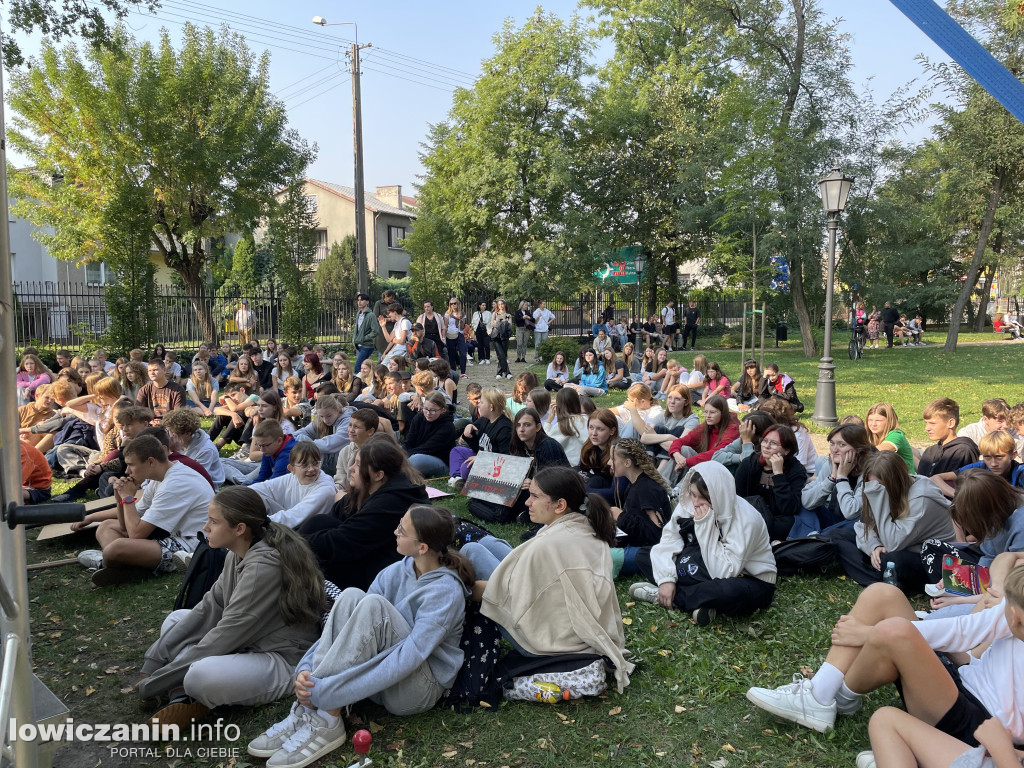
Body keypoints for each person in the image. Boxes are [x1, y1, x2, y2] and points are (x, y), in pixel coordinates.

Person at [249, 506, 474, 767]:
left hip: (417, 690)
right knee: (351, 596)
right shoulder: (395, 571)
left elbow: (409, 657)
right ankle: (311, 704)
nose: (395, 532)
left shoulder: (444, 591)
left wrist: (331, 693)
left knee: (372, 605)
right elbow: (351, 627)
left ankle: (327, 717)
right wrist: (307, 669)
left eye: (402, 530)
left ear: (422, 547)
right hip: (381, 682)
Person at [744, 559, 1024, 740]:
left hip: (980, 725)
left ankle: (838, 696)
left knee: (896, 631)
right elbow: (964, 632)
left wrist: (868, 634)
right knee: (883, 594)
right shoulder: (1017, 608)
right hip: (967, 678)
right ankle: (821, 693)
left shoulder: (1017, 612)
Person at [140, 486, 323, 729]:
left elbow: (227, 634)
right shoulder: (236, 553)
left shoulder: (263, 568)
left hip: (283, 660)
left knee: (199, 675)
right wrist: (153, 662)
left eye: (213, 522)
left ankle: (189, 692)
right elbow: (210, 607)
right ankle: (184, 695)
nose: (206, 527)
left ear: (239, 529)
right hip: (249, 643)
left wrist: (153, 683)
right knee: (177, 619)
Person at [461, 467, 632, 692]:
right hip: (571, 625)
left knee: (472, 551)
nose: (527, 502)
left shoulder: (547, 544)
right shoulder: (585, 526)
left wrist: (456, 585)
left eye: (535, 496)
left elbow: (494, 593)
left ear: (560, 505)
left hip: (551, 644)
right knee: (484, 546)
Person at [630, 461, 776, 625]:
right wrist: (666, 579)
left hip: (747, 577)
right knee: (645, 555)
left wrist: (705, 526)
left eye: (704, 498)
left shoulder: (748, 520)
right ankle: (700, 602)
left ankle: (665, 597)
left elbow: (723, 572)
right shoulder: (690, 503)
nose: (696, 503)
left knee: (728, 591)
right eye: (693, 494)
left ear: (718, 496)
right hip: (705, 560)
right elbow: (670, 539)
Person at [77, 434, 215, 586]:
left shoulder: (174, 484)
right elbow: (126, 525)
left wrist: (128, 498)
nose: (127, 471)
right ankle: (132, 569)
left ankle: (105, 563)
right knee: (106, 527)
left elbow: (135, 534)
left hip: (192, 547)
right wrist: (119, 500)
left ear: (150, 461)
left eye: (131, 465)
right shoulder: (161, 478)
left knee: (114, 549)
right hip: (174, 536)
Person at [299, 435, 429, 590]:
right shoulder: (375, 489)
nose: (351, 468)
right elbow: (336, 514)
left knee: (320, 554)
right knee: (320, 522)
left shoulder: (391, 502)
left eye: (358, 464)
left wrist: (293, 543)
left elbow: (342, 541)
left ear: (379, 475)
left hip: (388, 576)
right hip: (371, 555)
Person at [825, 450, 954, 591]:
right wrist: (874, 546)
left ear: (894, 482)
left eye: (879, 486)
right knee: (836, 535)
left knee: (892, 561)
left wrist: (877, 497)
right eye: (871, 485)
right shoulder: (881, 487)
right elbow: (862, 526)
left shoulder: (922, 500)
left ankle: (884, 578)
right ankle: (886, 577)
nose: (875, 489)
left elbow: (893, 544)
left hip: (928, 559)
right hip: (892, 545)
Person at [467, 407, 570, 524]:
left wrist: (533, 483)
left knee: (502, 514)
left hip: (549, 494)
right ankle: (518, 514)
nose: (521, 429)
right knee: (484, 497)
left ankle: (513, 514)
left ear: (537, 427)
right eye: (518, 425)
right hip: (526, 490)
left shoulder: (548, 446)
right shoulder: (519, 446)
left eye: (527, 425)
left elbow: (557, 482)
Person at [794, 423, 875, 537]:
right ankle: (813, 539)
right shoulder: (832, 463)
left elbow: (851, 512)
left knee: (859, 523)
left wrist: (841, 477)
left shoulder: (872, 471)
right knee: (804, 506)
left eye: (842, 445)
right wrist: (832, 478)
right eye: (832, 443)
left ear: (858, 449)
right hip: (834, 519)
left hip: (856, 525)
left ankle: (814, 539)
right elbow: (806, 501)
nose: (834, 450)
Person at [609, 439, 673, 576]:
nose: (609, 463)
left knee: (604, 555)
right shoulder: (634, 485)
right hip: (636, 546)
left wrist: (621, 516)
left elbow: (657, 535)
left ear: (627, 462)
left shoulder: (647, 488)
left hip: (650, 552)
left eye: (613, 459)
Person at [734, 424, 807, 540]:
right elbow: (737, 496)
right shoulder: (749, 464)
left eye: (773, 443)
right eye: (764, 441)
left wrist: (778, 474)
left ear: (787, 450)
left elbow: (789, 508)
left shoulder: (796, 470)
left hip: (776, 518)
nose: (766, 446)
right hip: (749, 514)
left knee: (788, 523)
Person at [249, 443, 336, 529]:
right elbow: (264, 487)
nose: (311, 469)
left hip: (305, 532)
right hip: (289, 523)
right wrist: (240, 496)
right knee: (252, 496)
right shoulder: (293, 477)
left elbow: (293, 517)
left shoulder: (325, 490)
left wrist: (255, 524)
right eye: (304, 465)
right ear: (292, 469)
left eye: (315, 463)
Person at [665, 395, 740, 481]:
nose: (707, 416)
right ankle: (663, 483)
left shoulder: (732, 429)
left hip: (720, 471)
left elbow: (716, 454)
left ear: (723, 413)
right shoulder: (706, 426)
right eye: (705, 412)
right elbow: (680, 441)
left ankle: (677, 490)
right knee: (683, 449)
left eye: (712, 412)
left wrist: (686, 461)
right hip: (704, 466)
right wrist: (676, 454)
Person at [931, 431, 1024, 499]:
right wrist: (957, 495)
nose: (993, 463)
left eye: (999, 457)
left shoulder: (1020, 472)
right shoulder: (981, 466)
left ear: (1013, 455)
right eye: (987, 457)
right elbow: (935, 478)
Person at [918, 398, 981, 478]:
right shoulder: (930, 452)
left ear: (951, 423)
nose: (927, 428)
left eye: (932, 423)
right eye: (926, 423)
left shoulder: (962, 452)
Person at [162, 408, 225, 487]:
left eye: (173, 434)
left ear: (187, 434)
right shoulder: (178, 441)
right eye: (168, 431)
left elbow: (193, 478)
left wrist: (172, 452)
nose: (170, 436)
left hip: (205, 484)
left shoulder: (206, 449)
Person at [404, 391, 458, 478]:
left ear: (442, 410)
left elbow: (428, 448)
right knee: (394, 451)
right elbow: (409, 440)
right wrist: (400, 453)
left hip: (439, 459)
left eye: (433, 410)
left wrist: (404, 457)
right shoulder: (419, 418)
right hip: (417, 452)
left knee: (415, 461)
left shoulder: (447, 427)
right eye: (425, 409)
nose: (428, 413)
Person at [333, 408, 378, 494]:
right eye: (350, 425)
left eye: (356, 427)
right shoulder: (344, 451)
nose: (351, 430)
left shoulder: (376, 453)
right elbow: (340, 479)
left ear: (370, 431)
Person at [866, 402, 915, 473]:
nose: (873, 424)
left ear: (889, 421)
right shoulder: (870, 436)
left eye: (878, 420)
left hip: (905, 480)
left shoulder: (896, 436)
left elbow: (875, 453)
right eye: (870, 420)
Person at [543, 387, 588, 465]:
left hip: (571, 468)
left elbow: (546, 444)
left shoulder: (564, 424)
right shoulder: (587, 419)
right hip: (588, 465)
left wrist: (549, 421)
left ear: (558, 405)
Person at [136, 358, 186, 424]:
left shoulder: (178, 389)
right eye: (149, 371)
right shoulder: (144, 390)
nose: (152, 373)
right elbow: (138, 412)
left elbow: (178, 414)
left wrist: (163, 422)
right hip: (149, 424)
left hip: (171, 425)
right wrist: (150, 422)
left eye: (155, 370)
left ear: (164, 370)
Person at [488, 298, 513, 379]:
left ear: (505, 304)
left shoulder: (508, 315)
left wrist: (498, 323)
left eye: (502, 304)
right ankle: (507, 372)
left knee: (503, 355)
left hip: (505, 336)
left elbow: (509, 326)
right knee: (500, 354)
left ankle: (499, 373)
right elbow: (492, 324)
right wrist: (503, 324)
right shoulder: (495, 314)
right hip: (496, 336)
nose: (501, 306)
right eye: (499, 304)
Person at [20, 439, 52, 504]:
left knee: (7, 494)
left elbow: (14, 482)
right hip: (21, 486)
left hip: (38, 489)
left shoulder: (23, 452)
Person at [351, 292, 377, 371]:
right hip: (358, 345)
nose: (359, 302)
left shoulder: (371, 315)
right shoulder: (358, 313)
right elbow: (358, 329)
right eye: (358, 300)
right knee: (363, 367)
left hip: (367, 345)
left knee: (357, 367)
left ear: (367, 302)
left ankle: (357, 382)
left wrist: (364, 338)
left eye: (362, 300)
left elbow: (375, 331)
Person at [442, 298, 468, 374]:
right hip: (450, 334)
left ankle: (463, 372)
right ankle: (453, 371)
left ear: (458, 304)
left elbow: (463, 325)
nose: (453, 305)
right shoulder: (447, 314)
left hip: (460, 333)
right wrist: (444, 337)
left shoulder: (462, 313)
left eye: (454, 303)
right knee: (452, 353)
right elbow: (445, 326)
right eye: (451, 304)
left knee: (463, 353)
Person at [471, 301, 492, 365]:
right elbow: (473, 322)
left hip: (486, 330)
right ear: (479, 306)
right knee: (480, 345)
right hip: (478, 330)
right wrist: (475, 328)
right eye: (483, 305)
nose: (484, 307)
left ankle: (487, 358)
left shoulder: (488, 313)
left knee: (486, 345)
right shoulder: (476, 313)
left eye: (485, 305)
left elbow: (490, 321)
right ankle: (481, 358)